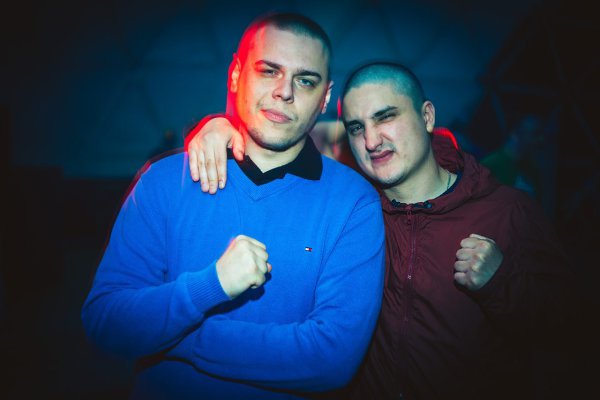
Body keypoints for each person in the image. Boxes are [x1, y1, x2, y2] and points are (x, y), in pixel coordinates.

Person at [185, 62, 579, 399]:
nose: (371, 140)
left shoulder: (508, 211)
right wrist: (220, 128)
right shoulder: (353, 212)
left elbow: (570, 329)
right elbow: (280, 145)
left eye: (385, 117)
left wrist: (501, 283)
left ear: (427, 116)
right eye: (356, 127)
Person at [81, 13, 385, 399]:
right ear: (237, 75)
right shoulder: (164, 180)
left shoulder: (354, 203)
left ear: (325, 97)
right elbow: (106, 322)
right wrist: (212, 285)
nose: (284, 91)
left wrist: (176, 337)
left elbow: (332, 359)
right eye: (269, 71)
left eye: (305, 80)